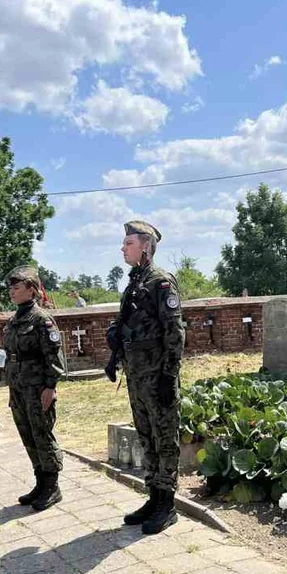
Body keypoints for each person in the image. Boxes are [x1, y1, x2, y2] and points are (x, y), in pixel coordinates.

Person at [110, 221, 185, 534]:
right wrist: (115, 352)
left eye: (128, 243)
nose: (123, 248)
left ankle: (167, 503)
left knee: (164, 436)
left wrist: (169, 375)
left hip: (158, 375)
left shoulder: (160, 281)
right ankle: (153, 496)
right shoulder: (134, 282)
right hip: (137, 375)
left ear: (146, 246)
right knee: (146, 435)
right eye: (124, 243)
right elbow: (130, 324)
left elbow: (175, 331)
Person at [0, 266, 66, 511]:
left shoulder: (41, 320)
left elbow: (53, 356)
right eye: (11, 288)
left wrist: (50, 386)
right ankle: (40, 481)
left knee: (42, 433)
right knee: (27, 434)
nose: (12, 292)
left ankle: (52, 485)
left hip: (37, 387)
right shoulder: (15, 319)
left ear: (31, 290)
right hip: (18, 387)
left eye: (16, 288)